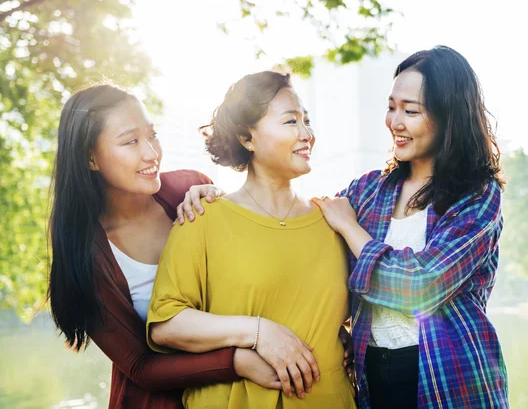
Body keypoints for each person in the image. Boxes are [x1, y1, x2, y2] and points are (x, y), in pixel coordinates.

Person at [47, 83, 304, 409]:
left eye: (152, 136)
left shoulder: (190, 188)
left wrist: (221, 206)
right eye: (130, 142)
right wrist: (237, 361)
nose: (151, 154)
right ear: (91, 158)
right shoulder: (87, 256)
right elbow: (141, 366)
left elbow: (260, 274)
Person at [312, 46, 509, 408]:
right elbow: (302, 231)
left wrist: (351, 229)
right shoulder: (368, 190)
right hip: (373, 376)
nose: (394, 122)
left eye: (410, 111)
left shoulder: (478, 196)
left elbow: (420, 286)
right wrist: (216, 196)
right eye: (391, 107)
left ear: (449, 117)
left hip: (452, 380)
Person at [146, 71, 357, 408]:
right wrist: (258, 332)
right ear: (247, 138)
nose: (307, 135)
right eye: (291, 122)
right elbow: (166, 325)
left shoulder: (333, 220)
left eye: (307, 121)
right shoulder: (202, 218)